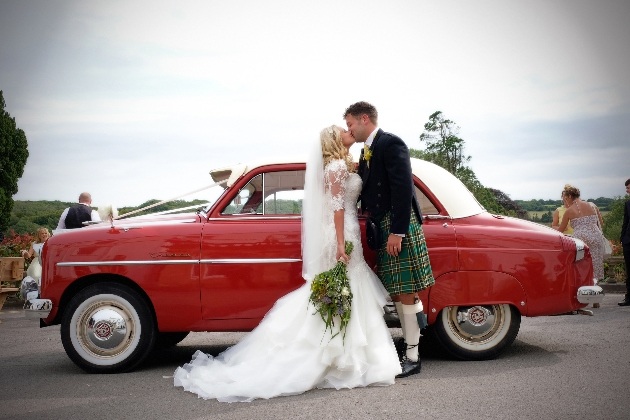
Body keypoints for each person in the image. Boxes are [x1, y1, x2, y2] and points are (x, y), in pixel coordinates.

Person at [173, 125, 401, 402]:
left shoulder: (343, 165)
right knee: (347, 288)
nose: (347, 130)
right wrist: (341, 243)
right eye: (343, 130)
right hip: (343, 232)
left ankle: (346, 353)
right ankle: (344, 356)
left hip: (345, 229)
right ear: (333, 140)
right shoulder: (338, 167)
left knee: (347, 289)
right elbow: (337, 207)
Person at [343, 101, 435, 377]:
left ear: (364, 119)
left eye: (350, 125)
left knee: (405, 291)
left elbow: (403, 189)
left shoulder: (391, 143)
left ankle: (412, 355)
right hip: (382, 224)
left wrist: (398, 232)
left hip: (397, 224)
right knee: (399, 291)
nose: (349, 129)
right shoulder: (367, 150)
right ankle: (412, 347)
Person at [554, 184, 604, 289]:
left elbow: (560, 230)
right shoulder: (592, 205)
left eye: (566, 198)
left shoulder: (568, 211)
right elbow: (601, 223)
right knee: (595, 265)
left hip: (580, 240)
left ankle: (582, 292)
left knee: (580, 266)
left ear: (570, 197)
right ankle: (595, 296)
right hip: (595, 236)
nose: (565, 201)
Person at [618, 178, 630, 306]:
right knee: (629, 270)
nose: (627, 191)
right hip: (628, 241)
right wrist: (622, 239)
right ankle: (628, 297)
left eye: (628, 188)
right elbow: (625, 222)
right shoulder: (628, 204)